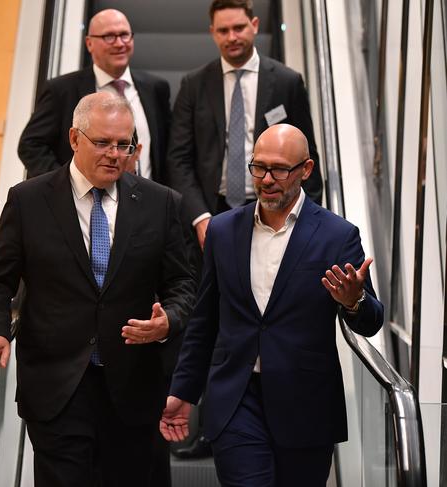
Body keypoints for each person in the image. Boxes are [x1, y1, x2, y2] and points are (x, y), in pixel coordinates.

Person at [0, 92, 195, 487]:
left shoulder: (161, 203)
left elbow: (183, 284)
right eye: (103, 142)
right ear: (74, 138)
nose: (115, 154)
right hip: (56, 390)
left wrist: (169, 320)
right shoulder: (29, 200)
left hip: (132, 391)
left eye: (125, 144)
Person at [160, 124, 384, 486]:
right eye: (258, 167)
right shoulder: (222, 230)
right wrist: (182, 391)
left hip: (306, 405)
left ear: (306, 170)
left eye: (279, 169)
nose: (265, 179)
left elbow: (371, 321)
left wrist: (353, 300)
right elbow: (204, 320)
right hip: (236, 399)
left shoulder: (337, 235)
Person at [167, 0, 323, 251]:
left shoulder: (287, 82)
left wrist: (306, 219)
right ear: (212, 33)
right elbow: (178, 159)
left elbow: (308, 156)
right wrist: (199, 217)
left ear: (254, 25)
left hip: (274, 206)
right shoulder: (193, 85)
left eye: (239, 28)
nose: (232, 37)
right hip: (213, 210)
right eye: (223, 31)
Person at [18, 8, 171, 183]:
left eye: (124, 35)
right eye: (109, 36)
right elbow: (30, 145)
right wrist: (67, 185)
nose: (120, 43)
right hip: (81, 203)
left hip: (144, 202)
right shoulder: (61, 90)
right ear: (89, 43)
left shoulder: (156, 88)